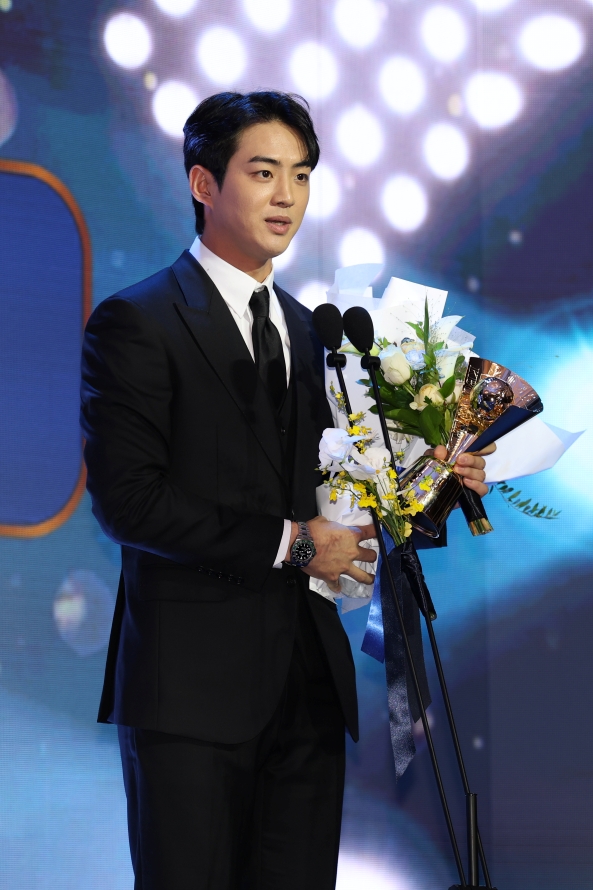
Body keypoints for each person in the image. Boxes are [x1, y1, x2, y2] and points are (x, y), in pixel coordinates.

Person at [80, 91, 491, 890]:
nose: (286, 197)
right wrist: (294, 544)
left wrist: (436, 481)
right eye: (263, 172)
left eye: (301, 175)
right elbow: (128, 502)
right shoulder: (138, 322)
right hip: (190, 694)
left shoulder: (319, 335)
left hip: (306, 690)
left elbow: (353, 493)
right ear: (203, 183)